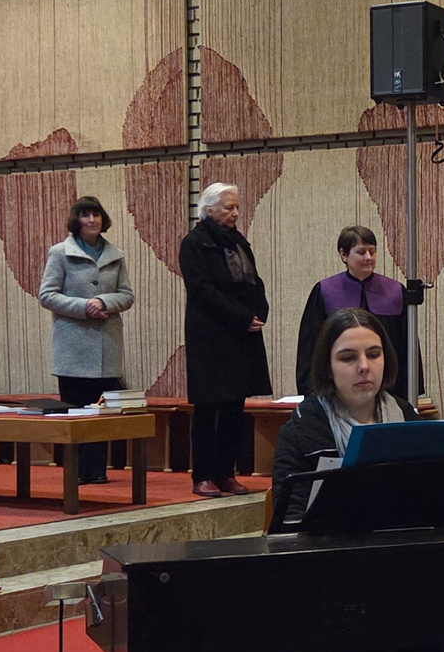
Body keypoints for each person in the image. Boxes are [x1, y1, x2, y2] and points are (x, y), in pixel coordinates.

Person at [273, 307, 418, 522]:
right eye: (348, 358)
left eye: (374, 354)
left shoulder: (408, 418)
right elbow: (290, 521)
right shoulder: (301, 430)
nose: (364, 366)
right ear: (328, 367)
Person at [179, 182, 271, 497]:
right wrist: (241, 317)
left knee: (234, 408)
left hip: (240, 335)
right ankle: (203, 475)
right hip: (211, 336)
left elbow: (254, 281)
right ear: (209, 209)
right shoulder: (194, 243)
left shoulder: (238, 242)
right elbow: (202, 290)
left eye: (236, 207)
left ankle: (226, 473)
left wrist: (260, 312)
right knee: (208, 409)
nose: (235, 213)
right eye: (228, 207)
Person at [39, 196, 135, 484]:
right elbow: (47, 295)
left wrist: (104, 302)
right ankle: (78, 471)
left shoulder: (116, 255)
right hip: (74, 348)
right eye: (85, 215)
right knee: (75, 413)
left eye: (96, 215)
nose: (92, 220)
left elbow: (127, 295)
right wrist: (84, 307)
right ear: (76, 221)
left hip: (107, 347)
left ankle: (97, 470)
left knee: (101, 413)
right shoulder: (60, 253)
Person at [295, 226, 421, 399]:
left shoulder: (395, 291)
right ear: (344, 255)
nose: (368, 257)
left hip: (389, 391)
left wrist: (409, 392)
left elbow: (408, 346)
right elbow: (309, 347)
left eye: (372, 251)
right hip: (337, 393)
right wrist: (312, 392)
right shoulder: (324, 291)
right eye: (361, 252)